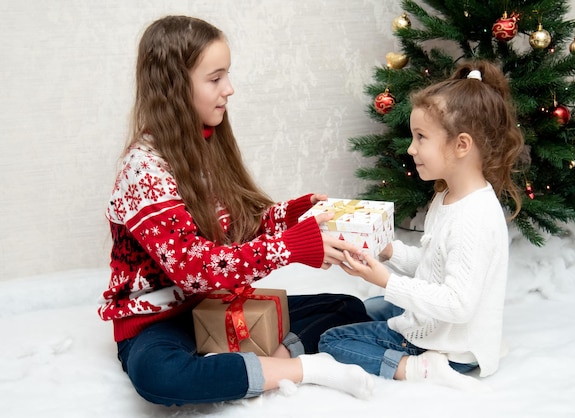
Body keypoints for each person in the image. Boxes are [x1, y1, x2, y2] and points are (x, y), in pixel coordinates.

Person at [97, 15, 374, 406]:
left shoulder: (204, 145)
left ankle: (264, 364)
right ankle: (304, 369)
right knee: (161, 377)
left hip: (213, 305)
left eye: (226, 75)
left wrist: (294, 215)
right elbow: (195, 269)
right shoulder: (143, 169)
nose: (229, 89)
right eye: (215, 79)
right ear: (174, 86)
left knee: (346, 307)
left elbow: (237, 229)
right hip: (159, 323)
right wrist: (291, 247)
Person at [319, 60, 525, 392]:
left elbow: (458, 304)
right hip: (441, 324)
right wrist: (388, 252)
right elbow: (434, 267)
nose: (411, 148)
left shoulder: (473, 217)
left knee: (334, 340)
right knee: (363, 308)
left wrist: (386, 281)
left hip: (452, 345)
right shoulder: (448, 197)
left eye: (421, 137)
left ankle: (418, 368)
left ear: (461, 145)